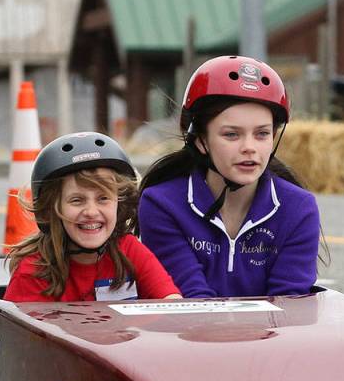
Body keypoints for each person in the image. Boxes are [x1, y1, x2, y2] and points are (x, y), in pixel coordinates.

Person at [137, 55, 321, 298]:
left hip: (273, 335)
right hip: (189, 333)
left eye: (262, 134)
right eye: (232, 135)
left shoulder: (299, 207)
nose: (249, 147)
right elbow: (192, 299)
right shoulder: (160, 204)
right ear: (201, 140)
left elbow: (289, 305)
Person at [3, 132, 181, 302]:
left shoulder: (129, 250)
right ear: (51, 209)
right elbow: (23, 334)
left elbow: (172, 305)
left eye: (103, 198)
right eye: (77, 200)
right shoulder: (34, 270)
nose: (91, 211)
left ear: (120, 203)